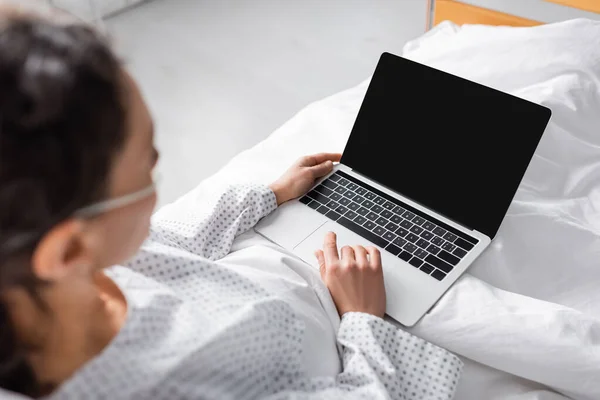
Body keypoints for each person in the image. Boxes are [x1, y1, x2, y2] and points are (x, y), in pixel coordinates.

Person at [0, 5, 462, 400]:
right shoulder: (167, 384)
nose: (157, 170)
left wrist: (271, 193)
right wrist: (363, 319)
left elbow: (169, 241)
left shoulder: (70, 275)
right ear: (69, 250)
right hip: (356, 327)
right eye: (148, 162)